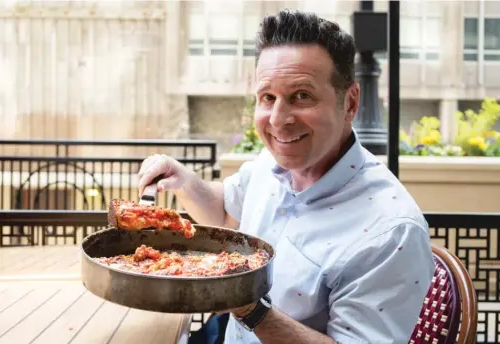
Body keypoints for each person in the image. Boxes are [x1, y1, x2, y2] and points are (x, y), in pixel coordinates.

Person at [138, 9, 435, 344]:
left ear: (350, 102)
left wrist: (250, 308)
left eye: (301, 96)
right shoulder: (270, 163)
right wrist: (183, 180)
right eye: (268, 98)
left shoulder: (392, 230)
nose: (278, 121)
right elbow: (224, 213)